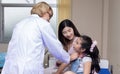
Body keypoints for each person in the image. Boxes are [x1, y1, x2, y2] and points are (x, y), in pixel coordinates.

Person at [1, 2, 76, 74]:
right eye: (49, 16)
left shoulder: (20, 24)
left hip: (10, 67)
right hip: (28, 67)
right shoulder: (42, 24)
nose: (49, 20)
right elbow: (54, 47)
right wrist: (68, 58)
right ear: (46, 12)